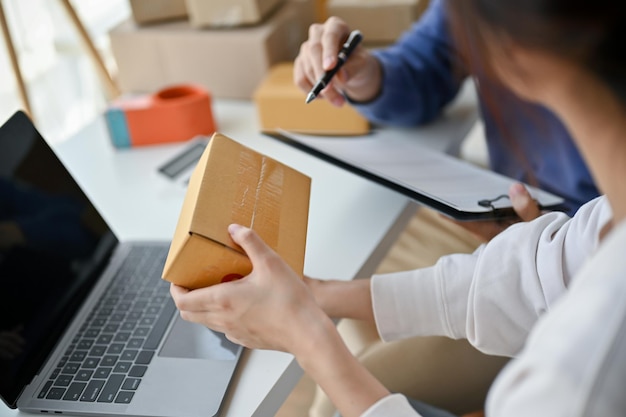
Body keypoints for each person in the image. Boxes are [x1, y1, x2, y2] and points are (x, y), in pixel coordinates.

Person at [171, 0, 626, 416]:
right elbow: (546, 267)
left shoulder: (578, 378)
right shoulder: (608, 221)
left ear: (516, 52)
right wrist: (319, 296)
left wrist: (310, 339)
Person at [292, 2, 602, 414]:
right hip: (513, 223)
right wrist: (367, 76)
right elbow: (427, 59)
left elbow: (556, 270)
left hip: (564, 262)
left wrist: (314, 337)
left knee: (345, 387)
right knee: (342, 259)